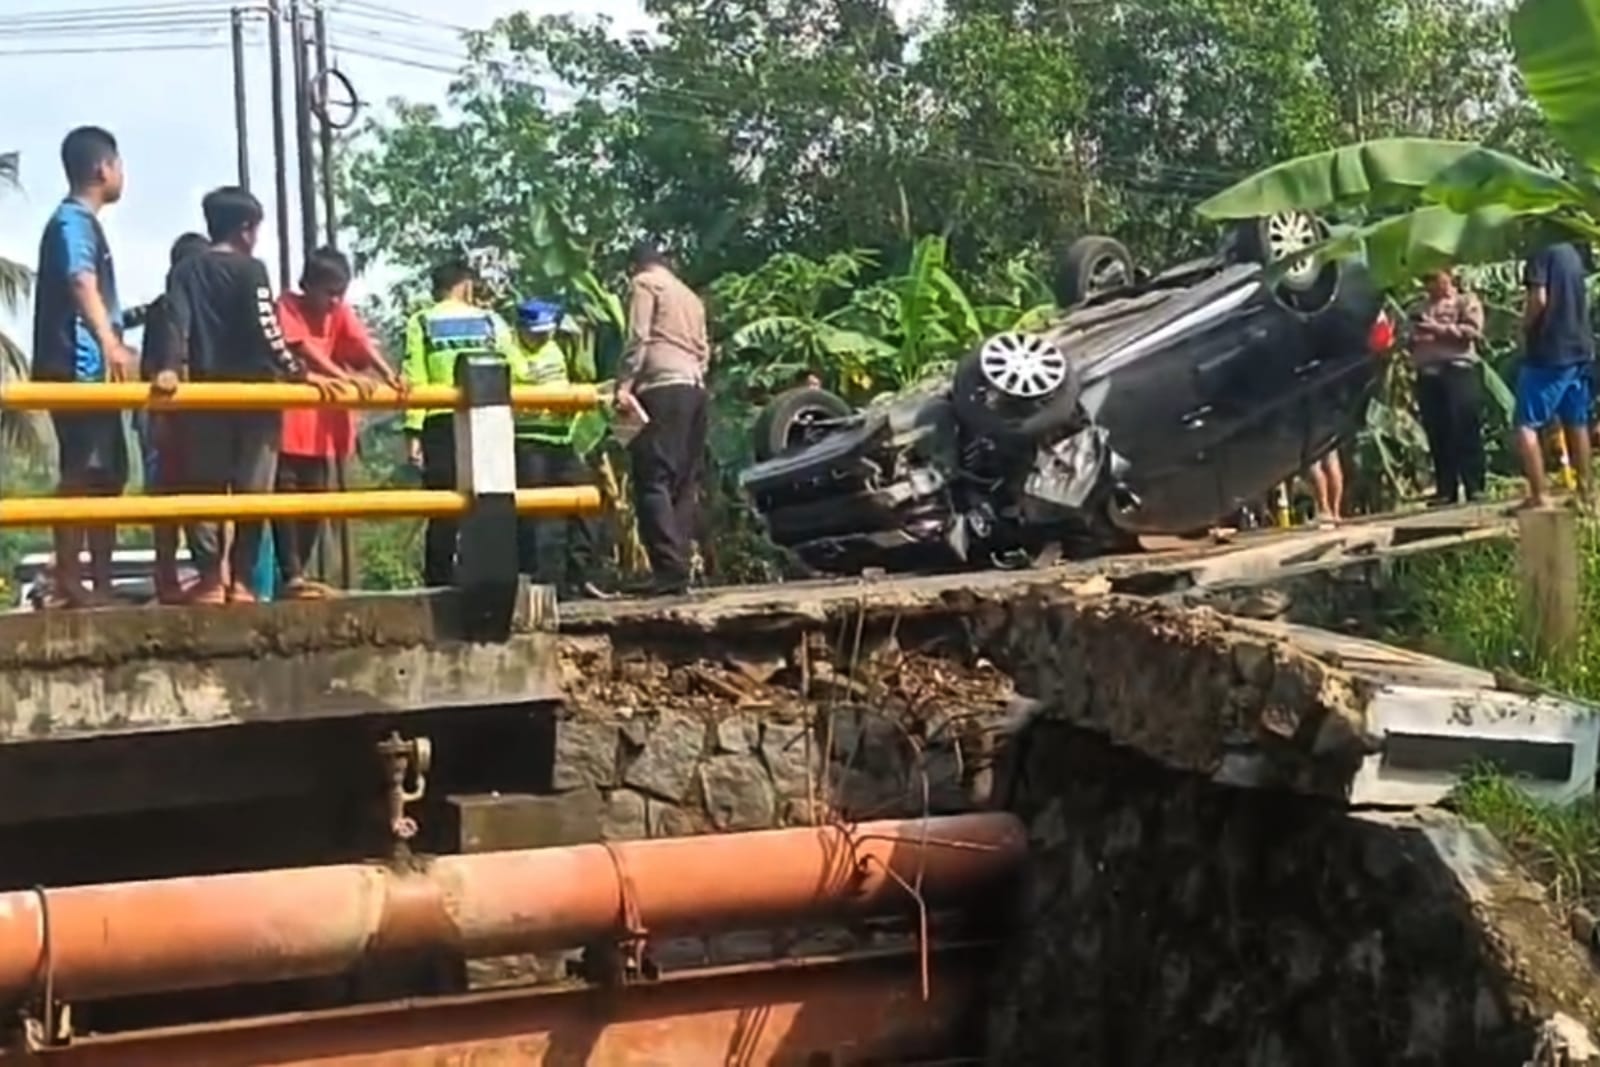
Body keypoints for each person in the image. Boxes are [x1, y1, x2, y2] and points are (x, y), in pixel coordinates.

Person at [157, 186, 311, 605]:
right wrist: (295, 369)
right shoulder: (252, 270)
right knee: (253, 491)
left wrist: (171, 367)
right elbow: (268, 330)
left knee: (203, 487)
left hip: (206, 394)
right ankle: (240, 580)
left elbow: (176, 322)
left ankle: (209, 578)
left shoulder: (185, 272)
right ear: (246, 229)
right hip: (256, 395)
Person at [30, 125, 135, 609]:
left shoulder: (81, 224)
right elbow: (80, 280)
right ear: (102, 168)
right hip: (77, 368)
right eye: (118, 163)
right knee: (84, 473)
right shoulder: (73, 222)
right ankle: (74, 578)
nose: (121, 173)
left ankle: (98, 581)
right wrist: (110, 343)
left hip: (88, 369)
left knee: (106, 476)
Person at [273, 247, 402, 599]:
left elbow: (361, 343)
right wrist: (340, 378)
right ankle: (292, 574)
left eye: (339, 293)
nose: (333, 301)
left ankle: (302, 574)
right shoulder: (287, 306)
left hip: (323, 429)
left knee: (316, 500)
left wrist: (390, 375)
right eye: (327, 292)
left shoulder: (340, 312)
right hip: (288, 425)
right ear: (308, 285)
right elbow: (301, 349)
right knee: (285, 498)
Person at [401, 260, 517, 587]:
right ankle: (489, 579)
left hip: (440, 421)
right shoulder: (491, 321)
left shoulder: (422, 321)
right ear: (466, 285)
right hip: (488, 420)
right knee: (491, 501)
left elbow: (415, 379)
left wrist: (413, 433)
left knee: (443, 505)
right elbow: (513, 369)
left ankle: (439, 581)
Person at [616, 242, 711, 597]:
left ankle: (668, 569)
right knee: (684, 481)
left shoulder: (645, 285)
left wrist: (624, 385)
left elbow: (638, 337)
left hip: (660, 387)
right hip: (694, 388)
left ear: (635, 266)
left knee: (652, 478)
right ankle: (680, 564)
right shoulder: (689, 296)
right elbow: (704, 349)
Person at [123, 230, 210, 603]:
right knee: (177, 495)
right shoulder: (168, 308)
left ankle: (191, 575)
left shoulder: (191, 307)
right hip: (166, 417)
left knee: (192, 497)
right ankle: (176, 576)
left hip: (183, 414)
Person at [508, 298, 601, 597]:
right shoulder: (509, 352)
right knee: (533, 513)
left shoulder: (556, 349)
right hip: (529, 440)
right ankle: (533, 579)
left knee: (585, 502)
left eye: (546, 332)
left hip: (561, 438)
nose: (542, 338)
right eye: (535, 333)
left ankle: (581, 573)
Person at [1514, 240, 1595, 508]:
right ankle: (1586, 493)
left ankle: (1539, 495)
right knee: (1576, 420)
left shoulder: (1540, 253)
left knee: (1526, 423)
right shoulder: (1573, 252)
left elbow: (1539, 299)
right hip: (1579, 348)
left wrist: (1523, 326)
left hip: (1549, 351)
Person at [1411, 268, 1487, 506]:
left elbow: (1471, 332)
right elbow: (1408, 335)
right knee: (1438, 432)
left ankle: (1475, 486)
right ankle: (1446, 489)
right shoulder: (1420, 308)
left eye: (1434, 278)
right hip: (1429, 374)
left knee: (1465, 428)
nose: (1430, 284)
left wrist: (1436, 329)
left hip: (1457, 370)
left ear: (1448, 276)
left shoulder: (1465, 301)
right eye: (1426, 279)